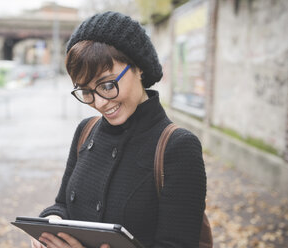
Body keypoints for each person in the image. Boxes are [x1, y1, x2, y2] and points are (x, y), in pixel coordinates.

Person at [31, 11, 207, 248]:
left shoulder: (178, 147)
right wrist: (51, 226)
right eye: (86, 91)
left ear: (138, 68)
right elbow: (63, 203)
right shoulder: (86, 131)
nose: (100, 103)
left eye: (107, 85)